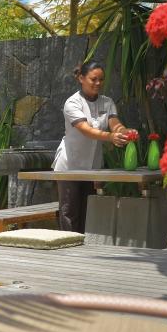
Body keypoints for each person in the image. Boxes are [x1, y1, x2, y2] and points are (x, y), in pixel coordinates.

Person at [52, 61, 134, 232]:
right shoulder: (72, 103)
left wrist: (126, 132)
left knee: (88, 211)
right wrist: (110, 137)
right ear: (81, 78)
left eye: (101, 80)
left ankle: (85, 247)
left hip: (92, 166)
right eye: (93, 79)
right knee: (69, 212)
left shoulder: (107, 102)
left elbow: (115, 124)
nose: (98, 83)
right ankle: (68, 247)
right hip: (69, 166)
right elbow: (86, 130)